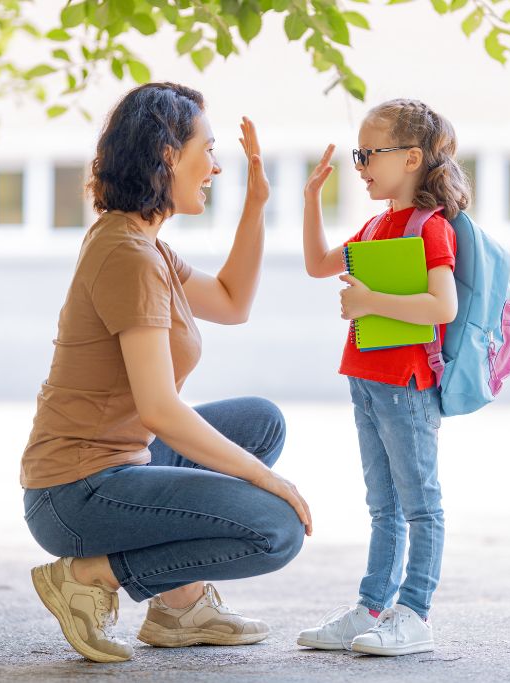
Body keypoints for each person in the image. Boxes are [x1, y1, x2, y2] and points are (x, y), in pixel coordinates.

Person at [20, 82, 311, 663]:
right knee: (274, 529)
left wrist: (256, 206)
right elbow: (159, 409)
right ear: (168, 154)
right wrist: (266, 480)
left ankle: (179, 608)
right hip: (75, 493)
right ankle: (91, 574)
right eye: (207, 148)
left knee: (261, 423)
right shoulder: (128, 255)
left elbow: (231, 301)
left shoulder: (143, 243)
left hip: (123, 465)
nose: (216, 166)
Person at [297, 98, 469, 656]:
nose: (361, 164)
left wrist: (371, 299)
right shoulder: (375, 225)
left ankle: (414, 612)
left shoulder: (430, 228)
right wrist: (309, 200)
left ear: (412, 158)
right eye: (358, 154)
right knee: (382, 504)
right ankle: (372, 607)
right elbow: (318, 264)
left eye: (370, 153)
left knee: (420, 502)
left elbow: (440, 307)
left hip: (407, 382)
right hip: (366, 377)